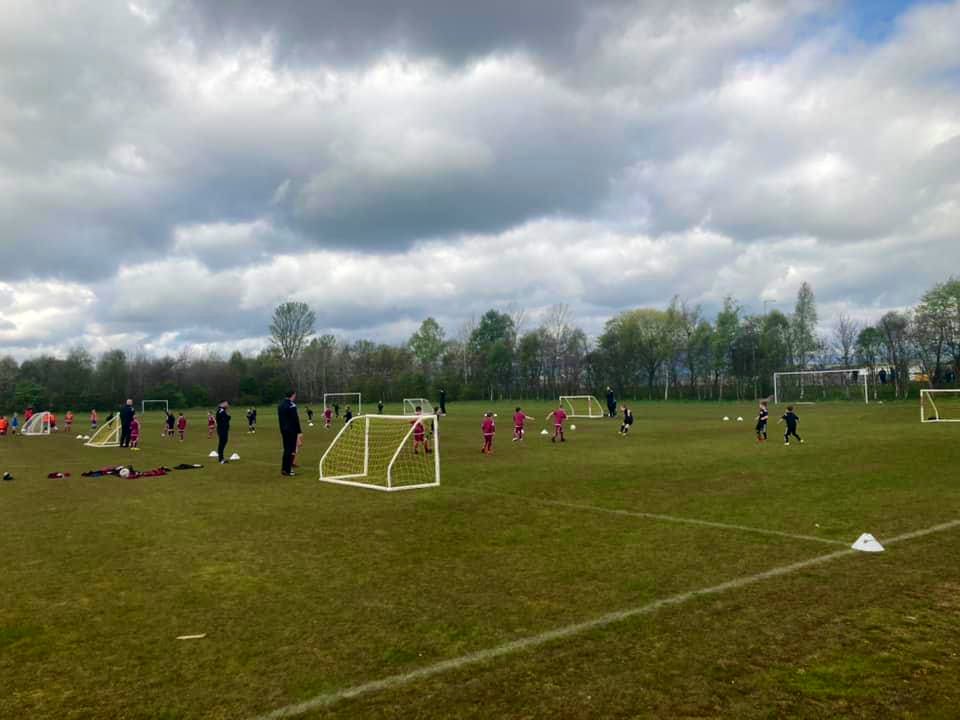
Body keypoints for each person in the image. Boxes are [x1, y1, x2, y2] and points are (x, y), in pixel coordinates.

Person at [278, 390, 302, 476]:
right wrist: (299, 432)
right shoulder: (292, 405)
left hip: (283, 430)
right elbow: (295, 419)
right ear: (292, 395)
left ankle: (284, 469)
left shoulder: (280, 405)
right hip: (291, 431)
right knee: (292, 450)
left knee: (286, 449)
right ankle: (289, 470)